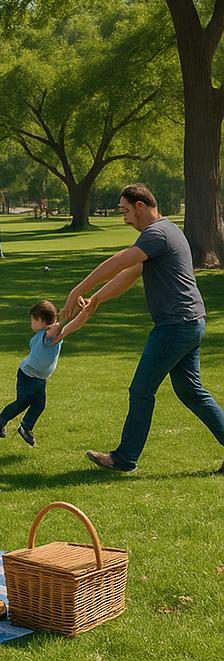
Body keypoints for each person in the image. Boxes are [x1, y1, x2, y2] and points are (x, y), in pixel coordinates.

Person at [62, 183, 224, 473]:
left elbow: (120, 261)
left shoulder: (157, 233)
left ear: (140, 206)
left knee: (141, 390)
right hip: (190, 323)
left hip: (175, 325)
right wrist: (97, 299)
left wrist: (79, 290)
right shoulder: (168, 232)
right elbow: (130, 273)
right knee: (191, 391)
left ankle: (124, 458)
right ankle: (126, 456)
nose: (124, 219)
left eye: (125, 211)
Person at [0, 300, 94, 448]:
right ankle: (3, 419)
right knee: (24, 401)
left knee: (38, 404)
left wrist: (79, 311)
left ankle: (24, 426)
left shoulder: (50, 333)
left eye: (32, 320)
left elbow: (64, 324)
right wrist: (78, 311)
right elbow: (63, 324)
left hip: (37, 377)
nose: (31, 324)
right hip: (28, 375)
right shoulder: (46, 334)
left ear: (40, 320)